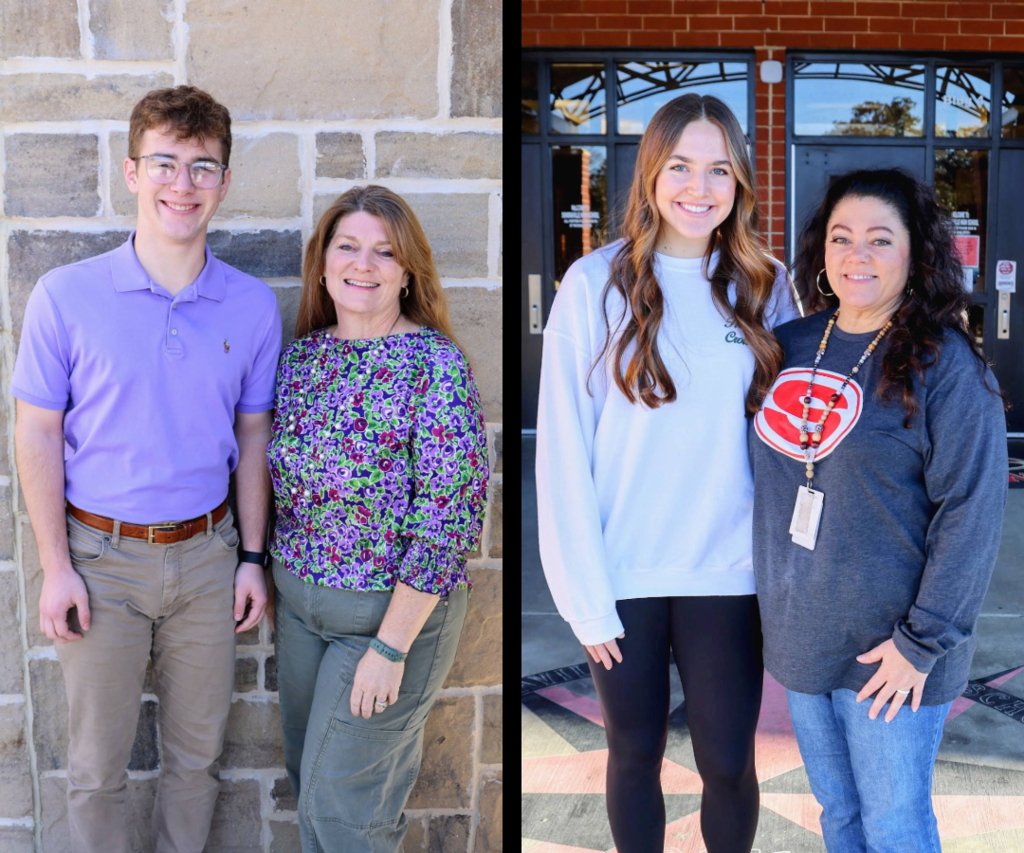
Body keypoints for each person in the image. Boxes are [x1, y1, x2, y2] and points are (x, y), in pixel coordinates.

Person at [11, 86, 281, 852]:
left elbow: (254, 434)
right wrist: (54, 566)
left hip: (207, 560)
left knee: (196, 763)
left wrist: (252, 557)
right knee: (96, 769)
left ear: (224, 182)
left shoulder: (252, 305)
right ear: (132, 173)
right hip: (100, 562)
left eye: (202, 167)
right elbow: (35, 433)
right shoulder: (66, 296)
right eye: (164, 162)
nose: (182, 183)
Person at [536, 93, 799, 853]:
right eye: (681, 165)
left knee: (726, 762)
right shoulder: (593, 284)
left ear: (740, 182)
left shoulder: (765, 284)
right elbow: (561, 451)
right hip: (624, 577)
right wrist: (583, 594)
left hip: (730, 574)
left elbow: (790, 440)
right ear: (651, 172)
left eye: (719, 168)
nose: (699, 186)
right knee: (634, 756)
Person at [749, 168, 1007, 852]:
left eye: (879, 239)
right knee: (839, 814)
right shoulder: (789, 345)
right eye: (841, 237)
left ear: (914, 254)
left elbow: (971, 515)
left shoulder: (948, 367)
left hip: (893, 654)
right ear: (821, 250)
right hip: (802, 641)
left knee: (894, 826)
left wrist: (922, 642)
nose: (857, 255)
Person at [267, 185, 488, 852]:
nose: (364, 264)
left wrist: (390, 647)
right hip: (303, 610)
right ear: (325, 260)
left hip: (391, 618)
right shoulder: (304, 358)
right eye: (349, 246)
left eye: (384, 252)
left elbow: (447, 518)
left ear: (407, 269)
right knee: (314, 782)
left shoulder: (434, 365)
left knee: (345, 810)